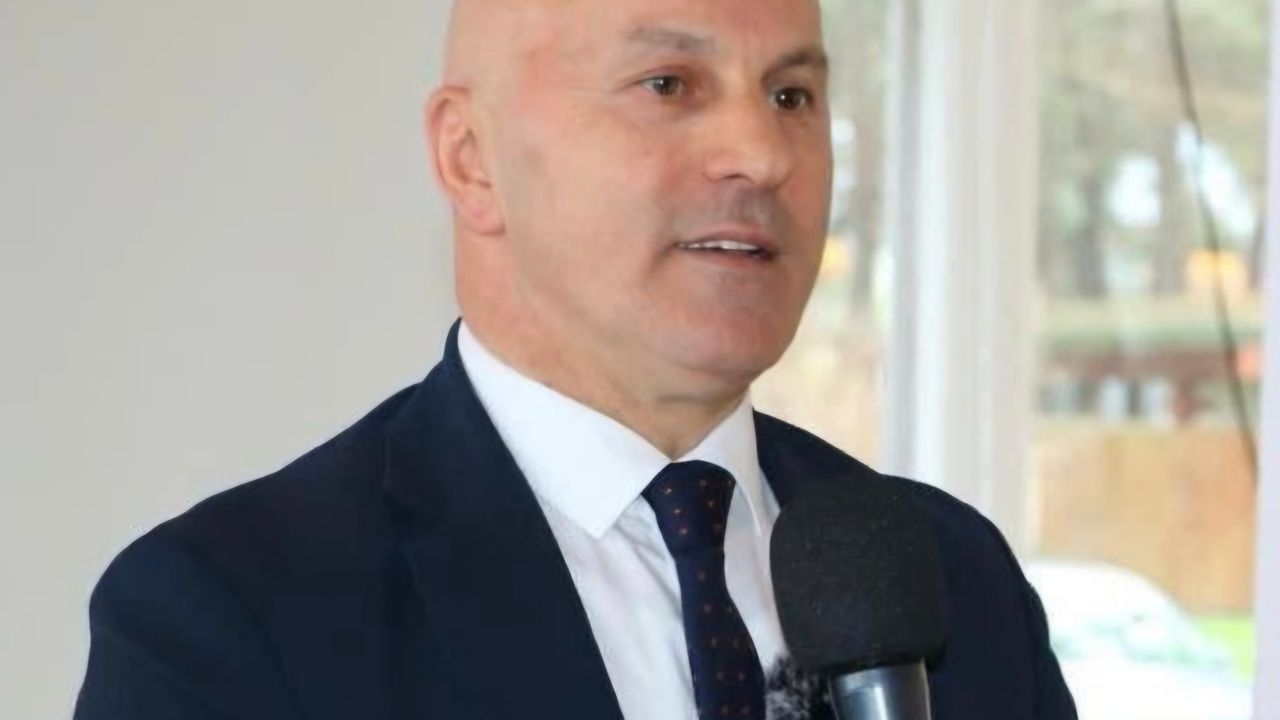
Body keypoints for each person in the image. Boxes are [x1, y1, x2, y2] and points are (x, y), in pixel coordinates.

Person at [73, 0, 1078, 717]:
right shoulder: (232, 613)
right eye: (668, 85)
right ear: (471, 159)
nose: (761, 154)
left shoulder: (957, 580)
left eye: (790, 95)